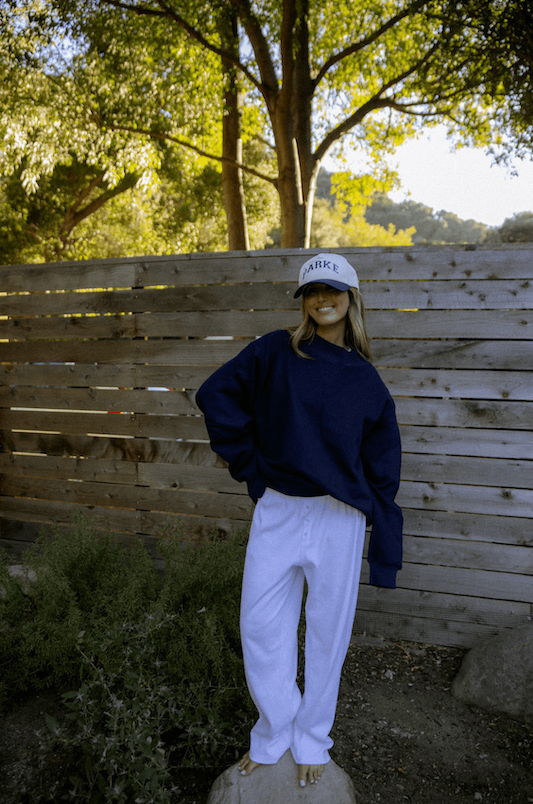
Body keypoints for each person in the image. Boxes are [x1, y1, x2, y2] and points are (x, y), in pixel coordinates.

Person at [195, 253, 402, 788]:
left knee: (328, 634)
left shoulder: (366, 380)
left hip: (339, 518)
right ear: (304, 302)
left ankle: (312, 739)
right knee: (261, 626)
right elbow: (214, 396)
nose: (322, 299)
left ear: (351, 298)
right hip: (279, 507)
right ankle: (272, 734)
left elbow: (383, 463)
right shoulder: (273, 352)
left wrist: (378, 522)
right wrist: (253, 470)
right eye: (312, 292)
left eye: (333, 290)